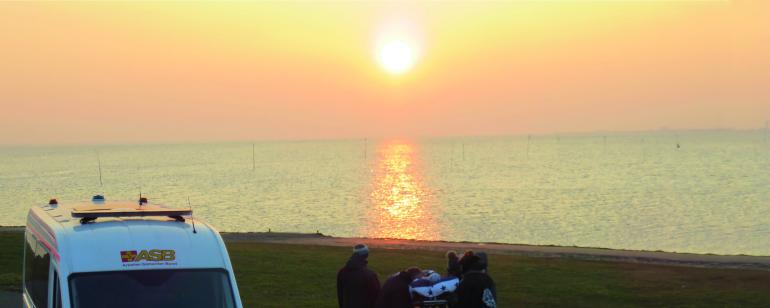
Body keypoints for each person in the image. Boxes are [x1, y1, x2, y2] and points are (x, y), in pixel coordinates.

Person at [337, 244, 380, 308]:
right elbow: (377, 297)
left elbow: (340, 294)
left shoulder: (342, 272)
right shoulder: (370, 275)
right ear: (366, 255)